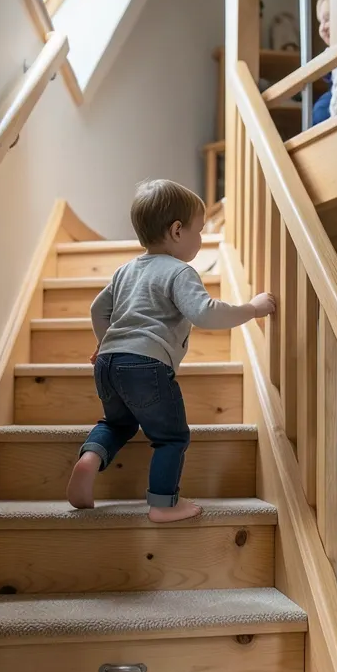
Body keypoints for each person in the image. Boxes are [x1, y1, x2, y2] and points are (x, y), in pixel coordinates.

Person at [66, 180, 275, 522]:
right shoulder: (179, 271)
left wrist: (106, 343)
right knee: (171, 436)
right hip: (145, 365)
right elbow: (205, 312)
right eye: (200, 230)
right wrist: (251, 309)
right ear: (177, 230)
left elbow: (96, 310)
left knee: (117, 423)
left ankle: (90, 459)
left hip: (107, 364)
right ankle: (163, 503)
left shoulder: (125, 271)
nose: (201, 238)